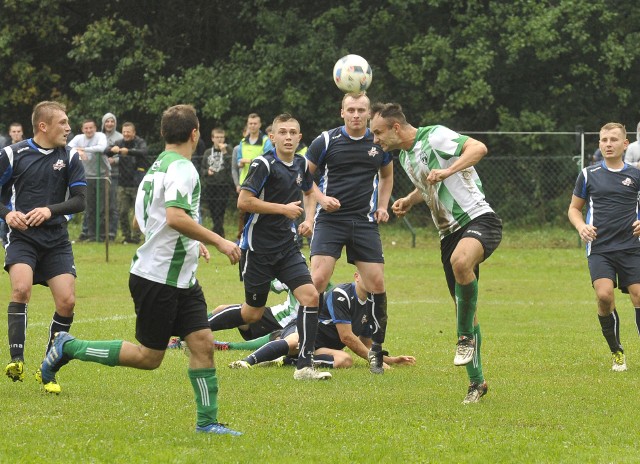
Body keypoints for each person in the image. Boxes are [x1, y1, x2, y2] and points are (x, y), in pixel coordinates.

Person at [38, 104, 243, 436]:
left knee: (203, 341)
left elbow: (143, 219)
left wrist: (193, 241)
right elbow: (176, 218)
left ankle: (207, 423)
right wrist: (219, 240)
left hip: (179, 276)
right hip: (158, 278)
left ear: (163, 134)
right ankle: (67, 346)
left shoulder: (157, 165)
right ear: (195, 134)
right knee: (149, 357)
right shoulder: (184, 169)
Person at [370, 102, 502, 404]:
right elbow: (427, 184)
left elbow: (478, 148)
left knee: (461, 262)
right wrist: (409, 199)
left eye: (378, 133)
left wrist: (448, 170)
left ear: (396, 128)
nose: (375, 140)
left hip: (478, 218)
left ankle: (464, 338)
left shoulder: (435, 135)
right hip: (448, 234)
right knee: (464, 309)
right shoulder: (404, 156)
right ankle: (476, 383)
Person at [213, 113, 329, 380]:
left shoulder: (301, 163)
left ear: (300, 138)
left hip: (287, 248)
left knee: (311, 297)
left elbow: (310, 192)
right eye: (283, 132)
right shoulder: (263, 164)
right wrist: (282, 210)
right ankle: (195, 329)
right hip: (259, 249)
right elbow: (244, 202)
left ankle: (304, 366)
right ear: (272, 137)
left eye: (293, 133)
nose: (288, 137)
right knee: (251, 313)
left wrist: (309, 219)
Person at [299, 92, 393, 375]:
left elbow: (387, 175)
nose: (355, 115)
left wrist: (383, 206)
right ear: (341, 112)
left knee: (376, 282)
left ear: (368, 114)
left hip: (363, 222)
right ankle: (305, 348)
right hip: (330, 221)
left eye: (360, 110)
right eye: (350, 109)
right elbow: (305, 176)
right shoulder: (326, 141)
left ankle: (376, 350)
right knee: (317, 280)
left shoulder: (378, 142)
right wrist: (321, 198)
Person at [0, 101, 87, 386]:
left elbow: (79, 200)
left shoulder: (71, 156)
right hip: (23, 236)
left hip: (56, 239)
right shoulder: (13, 154)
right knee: (21, 288)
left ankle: (48, 368)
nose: (68, 127)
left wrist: (50, 210)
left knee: (67, 301)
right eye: (62, 122)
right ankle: (16, 360)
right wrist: (8, 214)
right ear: (43, 126)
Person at [229, 272, 416, 370]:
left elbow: (365, 343)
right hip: (303, 332)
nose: (371, 278)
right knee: (297, 341)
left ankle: (287, 361)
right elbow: (346, 337)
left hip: (321, 347)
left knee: (345, 360)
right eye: (365, 274)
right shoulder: (341, 294)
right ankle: (246, 362)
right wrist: (374, 361)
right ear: (356, 277)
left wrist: (390, 360)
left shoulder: (371, 307)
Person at [568, 122, 640, 373]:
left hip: (632, 246)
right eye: (603, 140)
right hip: (600, 247)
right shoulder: (588, 174)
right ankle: (616, 351)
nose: (607, 144)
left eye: (613, 139)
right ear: (599, 143)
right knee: (604, 296)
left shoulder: (635, 174)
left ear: (624, 144)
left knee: (639, 294)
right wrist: (581, 227)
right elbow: (574, 209)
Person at [106, 122, 149, 244]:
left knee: (139, 213)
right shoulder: (119, 143)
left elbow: (144, 152)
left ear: (134, 133)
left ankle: (137, 238)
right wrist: (111, 150)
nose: (126, 134)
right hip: (122, 183)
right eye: (124, 131)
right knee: (122, 212)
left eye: (128, 131)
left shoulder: (140, 142)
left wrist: (128, 151)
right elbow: (106, 151)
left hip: (138, 184)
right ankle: (127, 237)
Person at [68, 119, 109, 242]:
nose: (88, 130)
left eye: (91, 128)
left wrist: (83, 150)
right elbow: (67, 147)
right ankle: (91, 235)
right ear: (82, 129)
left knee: (102, 208)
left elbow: (102, 148)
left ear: (95, 128)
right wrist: (77, 151)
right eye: (86, 128)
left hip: (102, 176)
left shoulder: (100, 136)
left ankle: (102, 236)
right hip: (87, 177)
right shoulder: (79, 138)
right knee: (89, 207)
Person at [235, 113, 272, 240]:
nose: (252, 126)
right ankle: (241, 238)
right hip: (245, 181)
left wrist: (250, 161)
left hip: (260, 181)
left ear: (259, 125)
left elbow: (268, 158)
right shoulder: (243, 141)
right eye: (250, 123)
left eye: (255, 123)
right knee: (242, 212)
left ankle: (259, 237)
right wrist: (242, 162)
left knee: (259, 211)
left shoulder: (266, 141)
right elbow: (238, 161)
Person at [201, 128, 234, 237]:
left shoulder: (229, 150)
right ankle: (219, 232)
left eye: (222, 137)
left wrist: (224, 152)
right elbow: (202, 169)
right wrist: (207, 171)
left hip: (224, 185)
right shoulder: (207, 152)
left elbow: (232, 166)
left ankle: (217, 233)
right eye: (217, 137)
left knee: (221, 210)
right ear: (212, 138)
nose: (220, 140)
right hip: (210, 185)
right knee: (213, 210)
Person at [0, 122, 25, 245]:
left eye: (18, 131)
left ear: (22, 132)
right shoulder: (5, 151)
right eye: (13, 131)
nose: (16, 134)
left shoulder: (29, 150)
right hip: (8, 197)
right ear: (10, 133)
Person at [102, 113, 123, 241]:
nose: (109, 124)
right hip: (100, 175)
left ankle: (111, 233)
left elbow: (125, 155)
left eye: (112, 121)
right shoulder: (99, 137)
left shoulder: (120, 137)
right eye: (107, 121)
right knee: (101, 206)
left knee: (113, 206)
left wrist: (114, 161)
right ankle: (100, 233)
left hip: (114, 175)